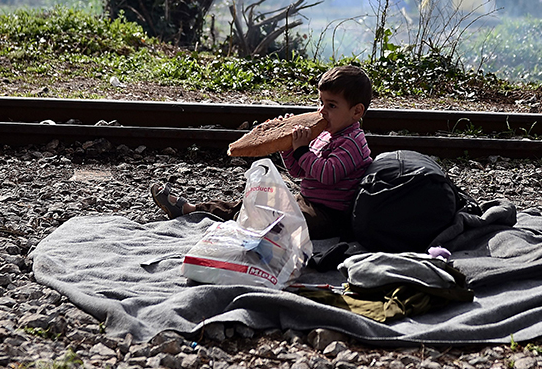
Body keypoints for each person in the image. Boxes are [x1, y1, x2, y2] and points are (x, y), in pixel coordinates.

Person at [150, 65, 374, 239]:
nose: (321, 111)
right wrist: (287, 144)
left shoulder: (353, 141)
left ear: (356, 111)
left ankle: (242, 223)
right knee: (253, 200)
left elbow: (327, 174)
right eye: (320, 103)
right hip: (307, 200)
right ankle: (192, 209)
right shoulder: (325, 133)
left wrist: (302, 149)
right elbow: (299, 171)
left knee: (274, 218)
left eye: (331, 106)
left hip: (330, 215)